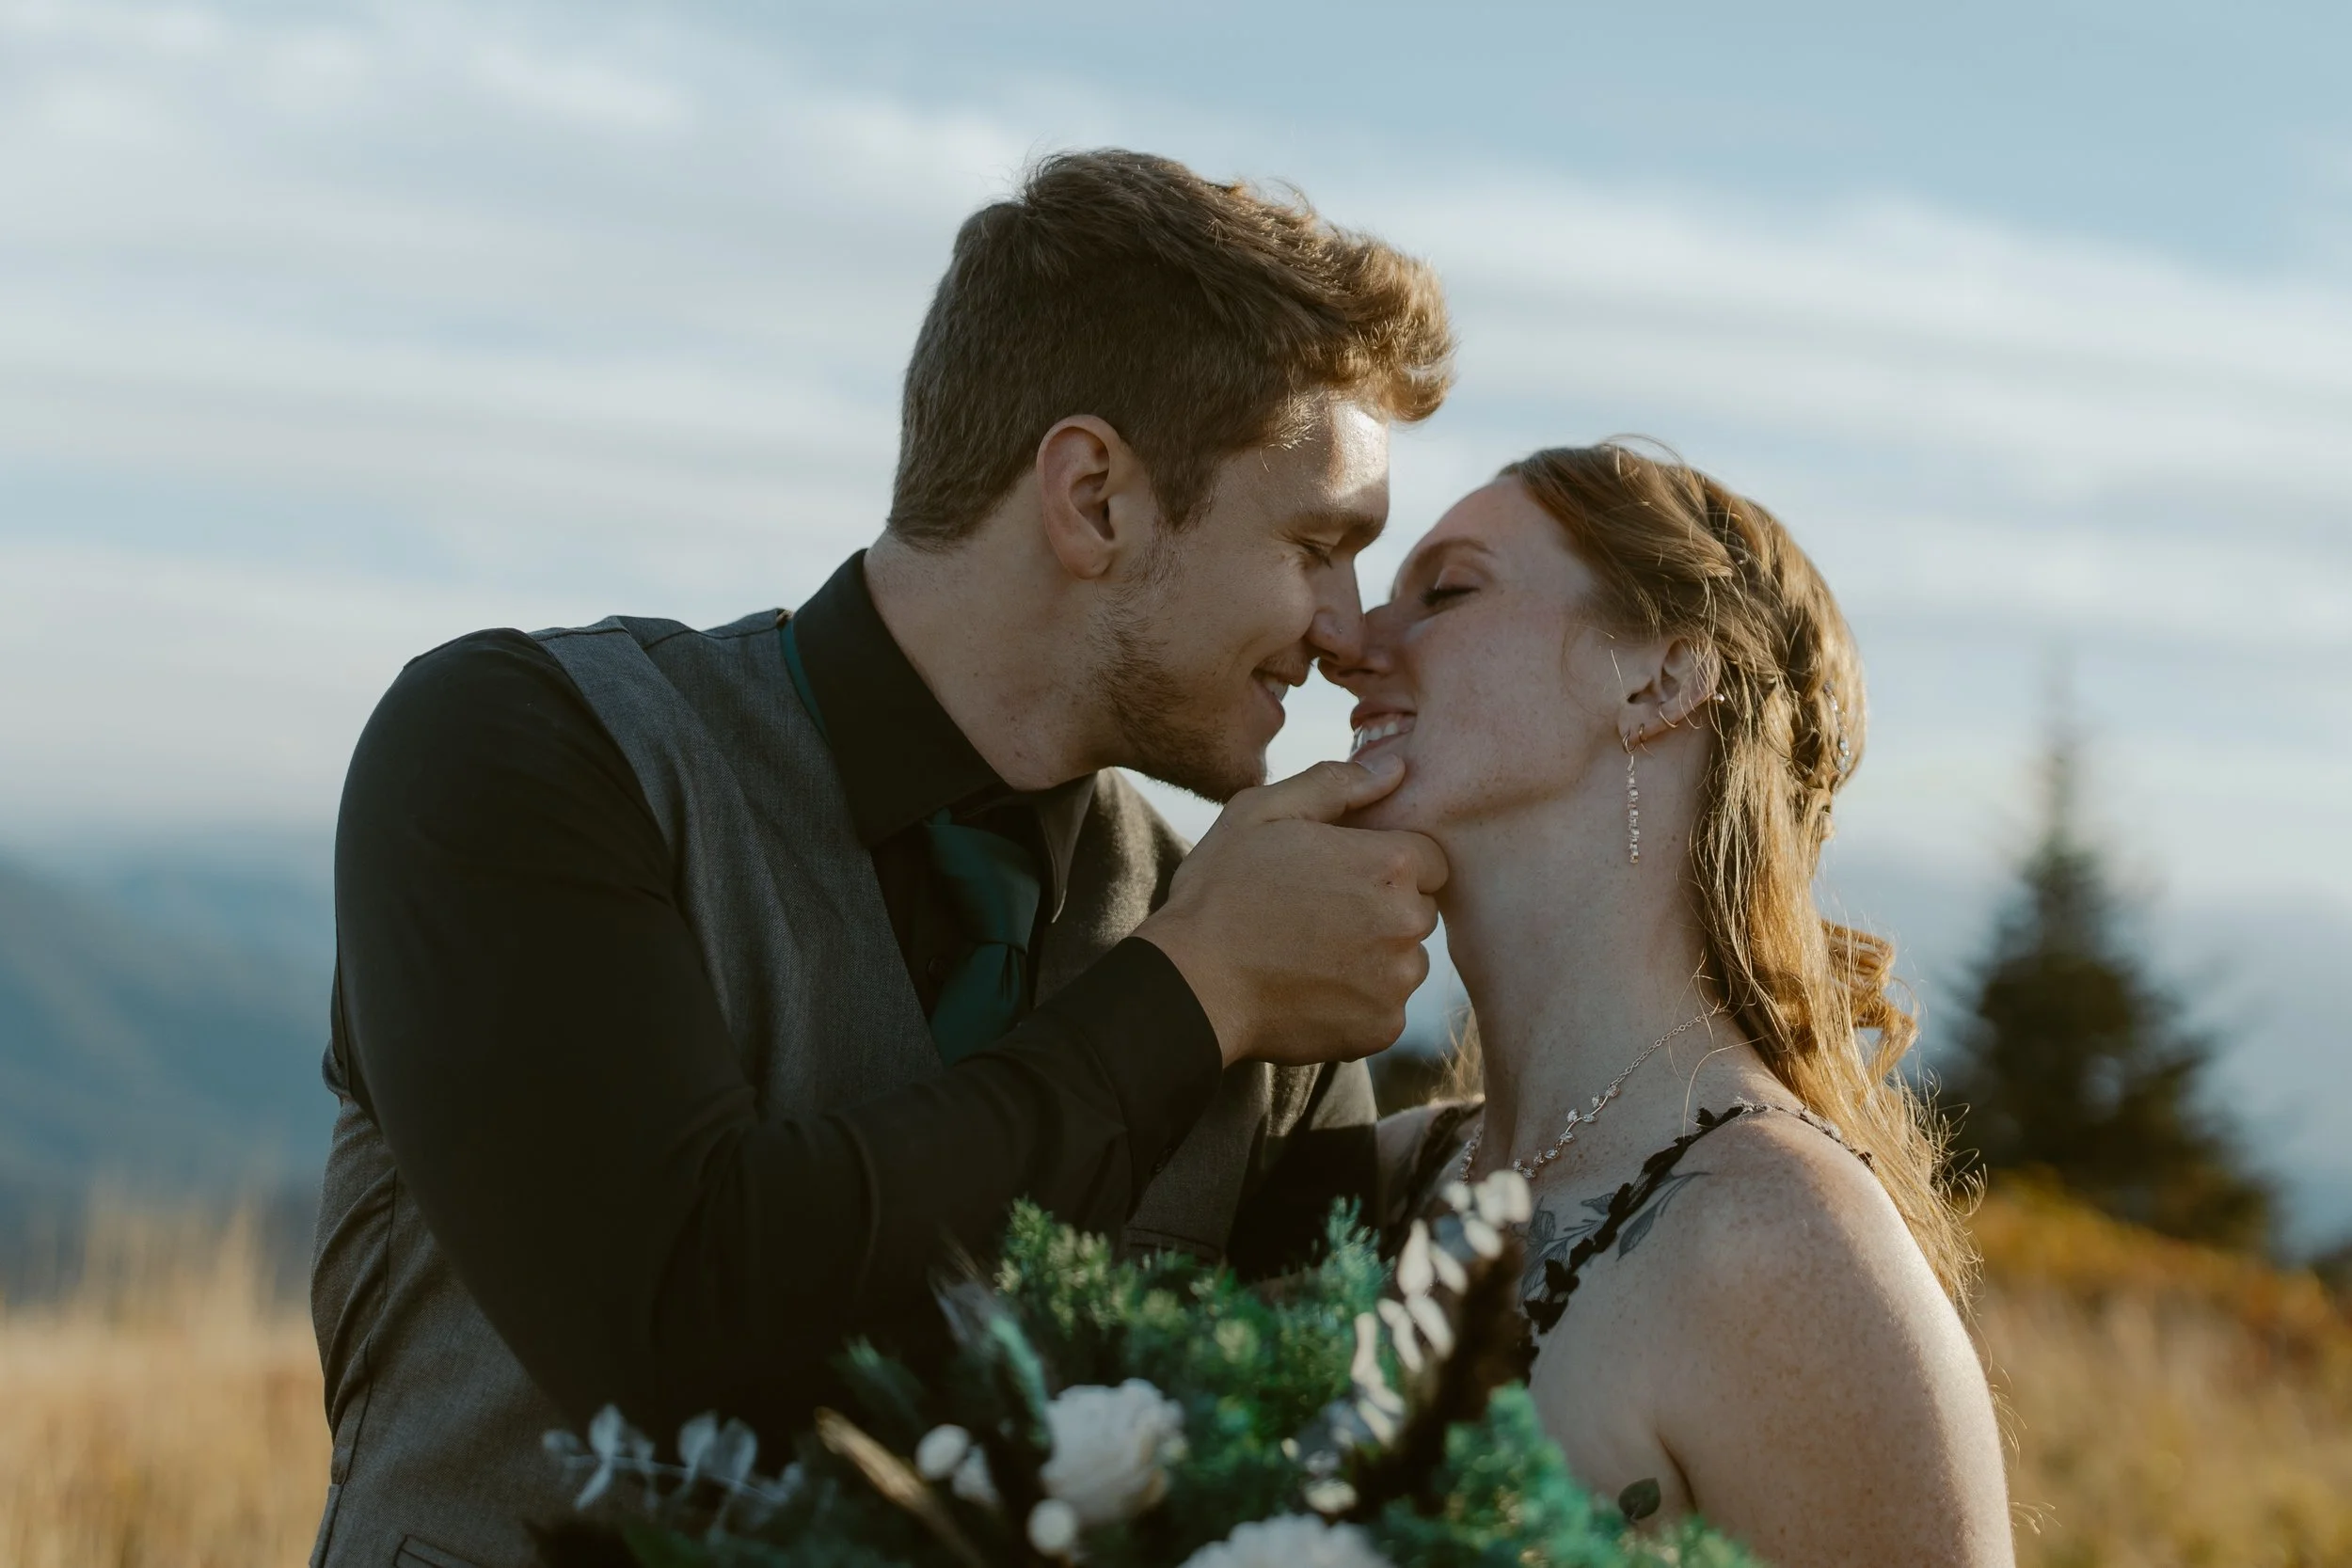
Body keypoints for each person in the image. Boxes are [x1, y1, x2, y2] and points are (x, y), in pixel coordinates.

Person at [310, 150, 1454, 1568]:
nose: (1349, 629)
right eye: (1317, 542)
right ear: (1094, 496)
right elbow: (678, 1325)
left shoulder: (1263, 954)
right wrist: (1191, 996)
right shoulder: (524, 750)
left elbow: (1301, 1492)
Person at [1346, 445, 2013, 1567]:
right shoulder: (1370, 1176)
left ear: (1658, 680)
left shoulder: (1782, 1251)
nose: (1348, 642)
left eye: (1446, 590)